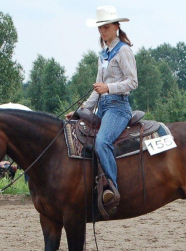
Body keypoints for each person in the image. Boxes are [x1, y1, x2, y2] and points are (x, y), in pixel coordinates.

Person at [65, 5, 137, 209]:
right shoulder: (103, 54)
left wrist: (109, 87)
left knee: (103, 141)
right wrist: (81, 111)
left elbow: (133, 82)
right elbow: (97, 89)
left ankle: (112, 189)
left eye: (106, 27)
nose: (102, 31)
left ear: (116, 26)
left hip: (118, 108)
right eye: (100, 28)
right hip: (103, 107)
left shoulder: (123, 50)